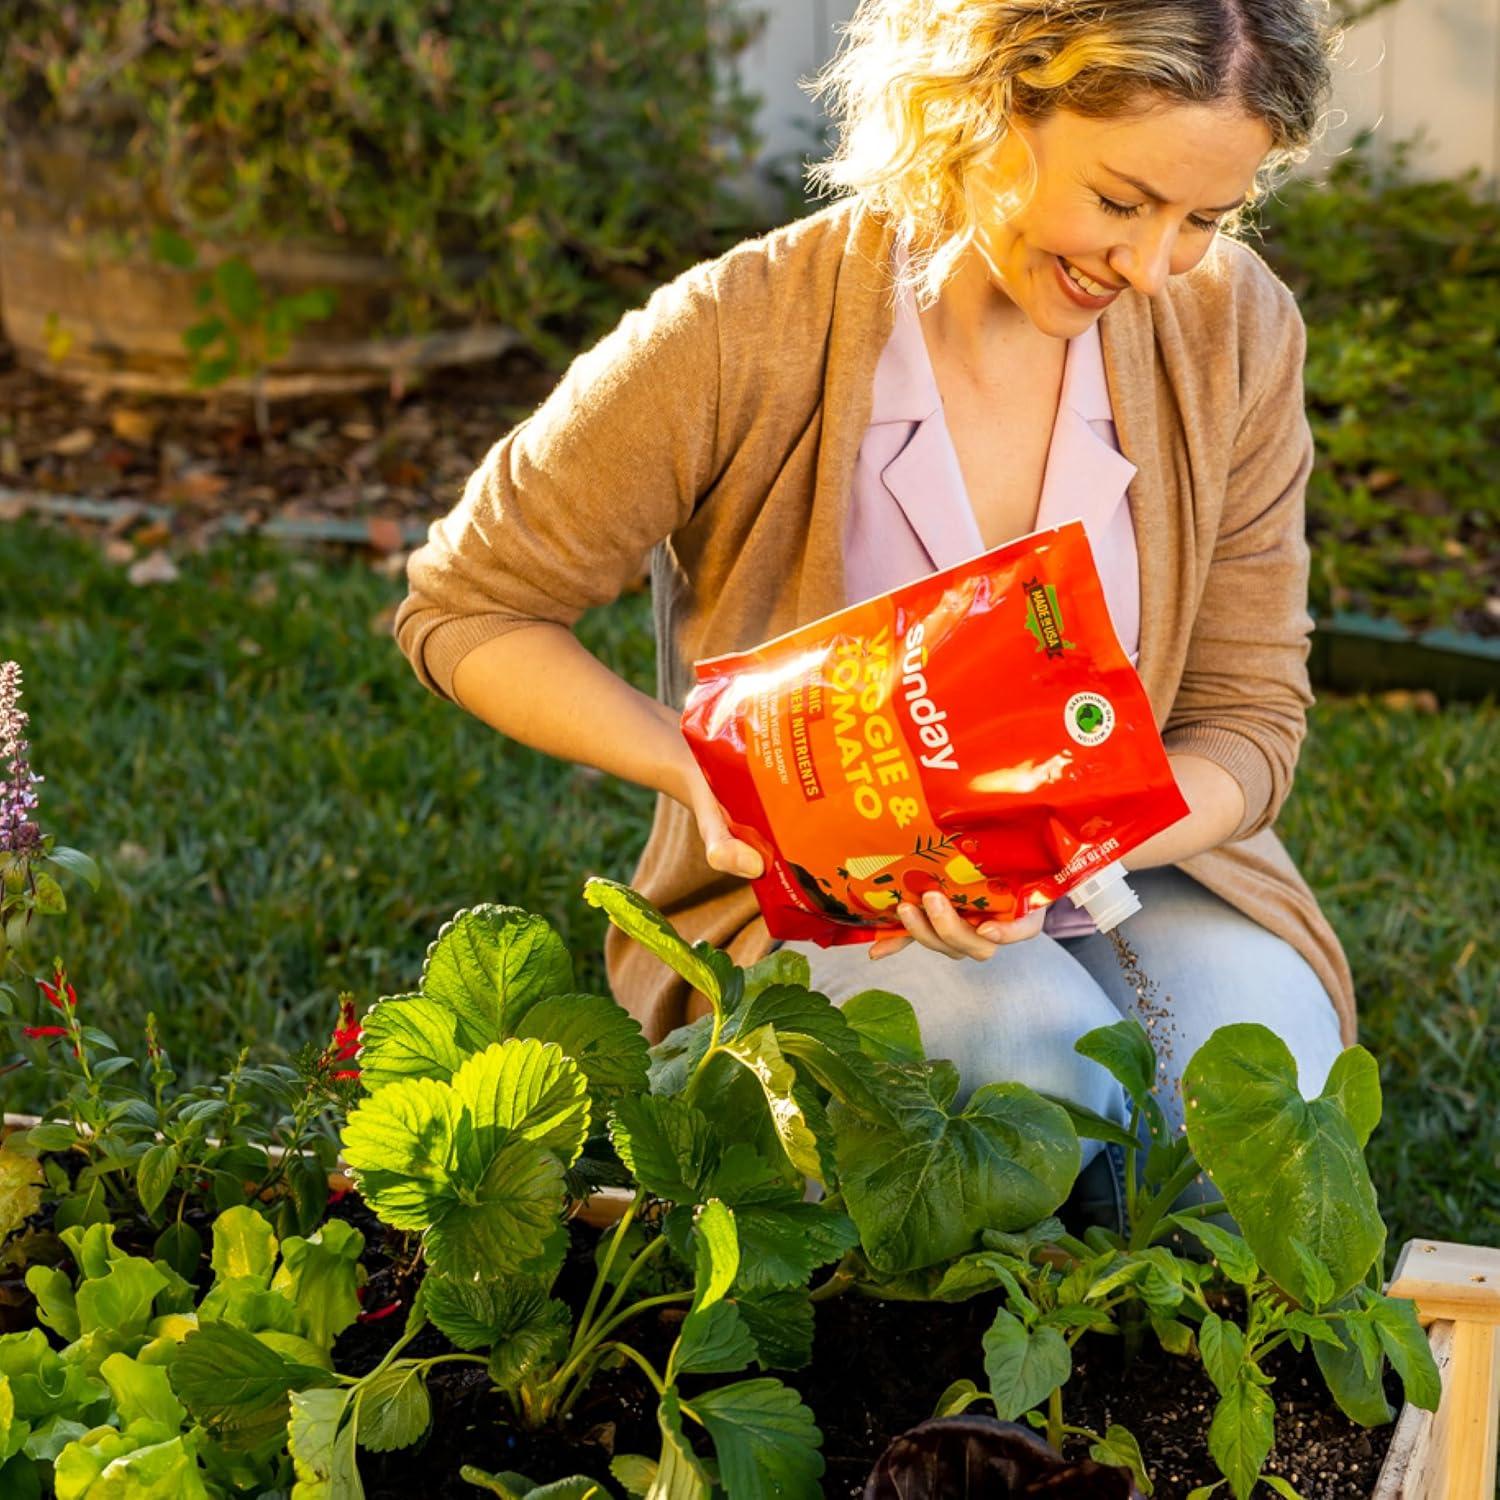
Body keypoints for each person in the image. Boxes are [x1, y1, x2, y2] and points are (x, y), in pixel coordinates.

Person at [393, 0, 1355, 1227]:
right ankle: (965, 1398)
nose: (1154, 265)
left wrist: (1079, 843)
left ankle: (1178, 1376)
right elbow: (469, 608)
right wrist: (706, 777)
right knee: (1027, 1052)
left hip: (1133, 869)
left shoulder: (1230, 323)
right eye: (1121, 203)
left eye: (1203, 219)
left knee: (1264, 1073)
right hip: (814, 905)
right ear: (985, 103)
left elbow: (1248, 718)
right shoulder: (745, 330)